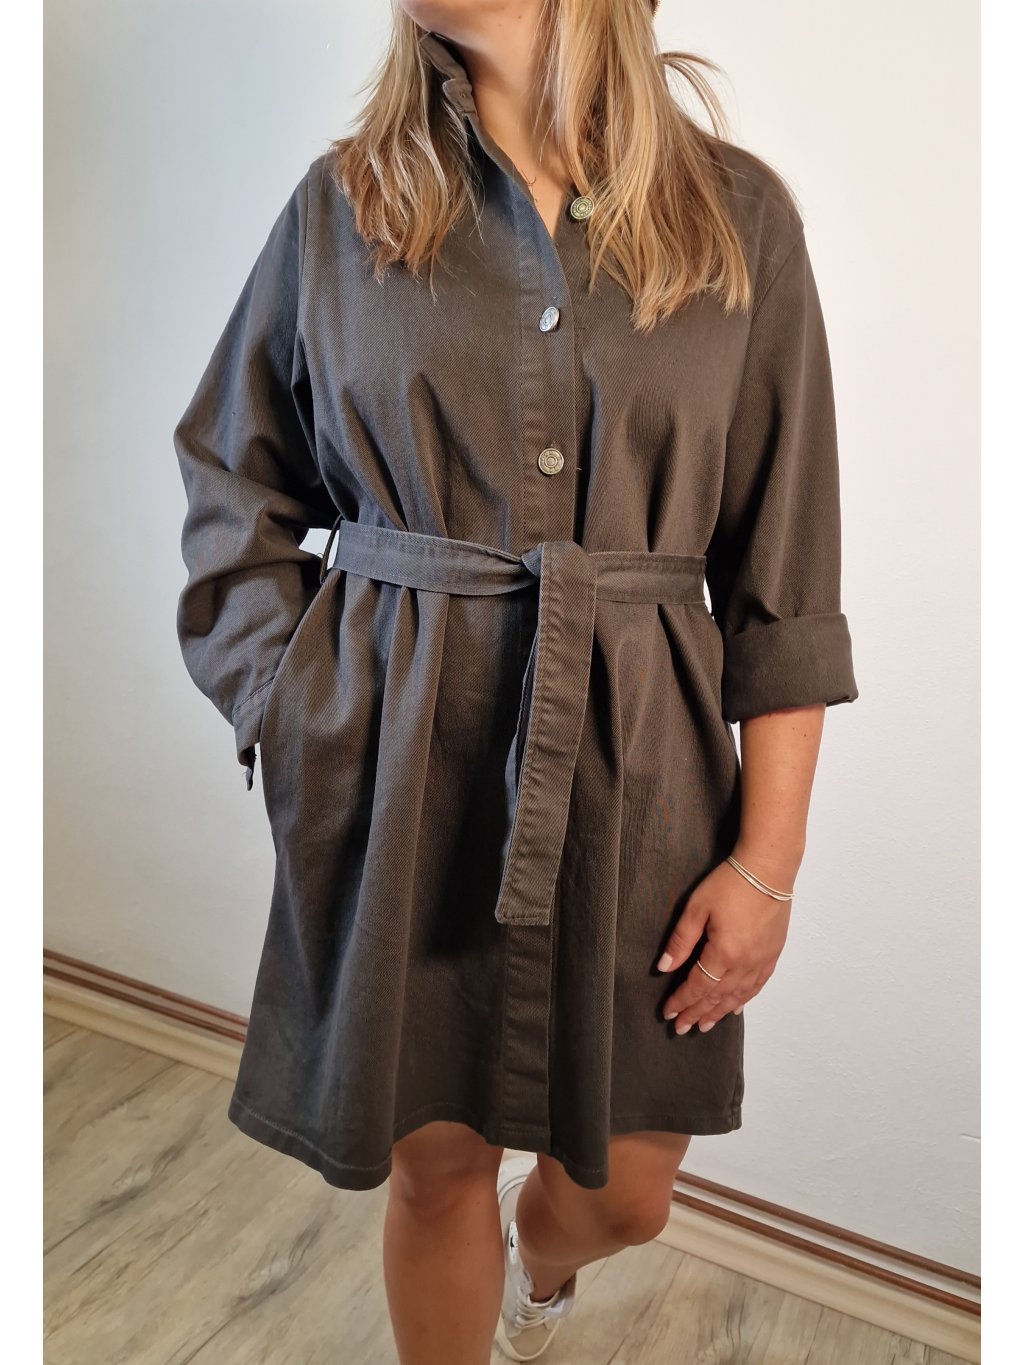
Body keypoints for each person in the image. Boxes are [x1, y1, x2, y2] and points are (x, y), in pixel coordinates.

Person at [172, 1, 859, 1360]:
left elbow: (786, 584)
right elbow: (230, 481)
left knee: (625, 1195)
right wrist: (291, 706)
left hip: (645, 783)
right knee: (434, 1170)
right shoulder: (345, 209)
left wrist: (768, 864)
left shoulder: (738, 221)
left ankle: (541, 1271)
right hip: (403, 773)